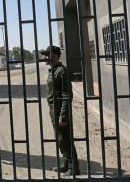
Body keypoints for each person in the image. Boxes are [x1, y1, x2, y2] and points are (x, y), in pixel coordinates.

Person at [41, 46, 80, 176]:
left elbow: (66, 94)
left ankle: (74, 168)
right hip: (54, 110)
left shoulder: (61, 71)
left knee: (65, 139)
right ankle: (66, 163)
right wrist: (51, 109)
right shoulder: (53, 71)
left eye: (47, 55)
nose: (45, 57)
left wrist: (63, 115)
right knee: (60, 139)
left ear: (56, 56)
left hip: (60, 111)